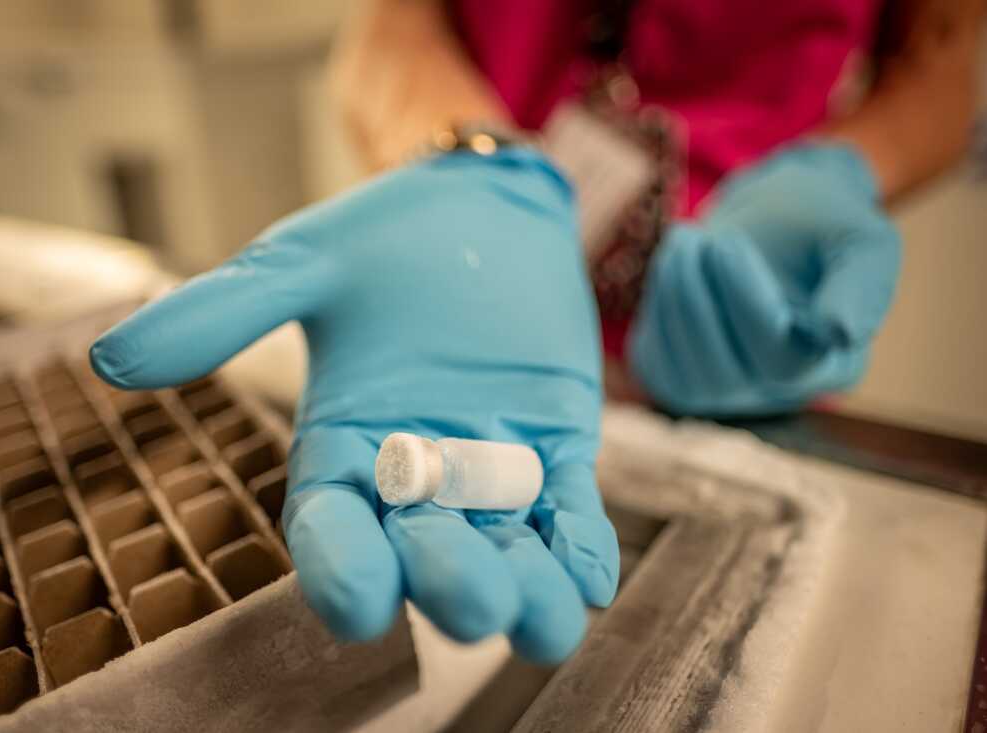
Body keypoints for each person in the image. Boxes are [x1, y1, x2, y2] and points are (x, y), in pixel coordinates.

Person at [89, 1, 984, 663]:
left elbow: (944, 53)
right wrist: (475, 167)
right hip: (475, 292)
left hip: (736, 316)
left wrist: (842, 170)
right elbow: (390, 26)